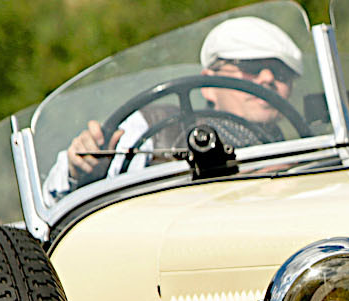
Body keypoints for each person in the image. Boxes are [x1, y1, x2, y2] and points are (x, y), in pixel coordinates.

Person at [43, 16, 304, 199]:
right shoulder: (154, 128)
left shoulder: (306, 152)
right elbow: (57, 199)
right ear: (208, 85)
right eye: (250, 68)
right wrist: (81, 168)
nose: (268, 79)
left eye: (282, 74)